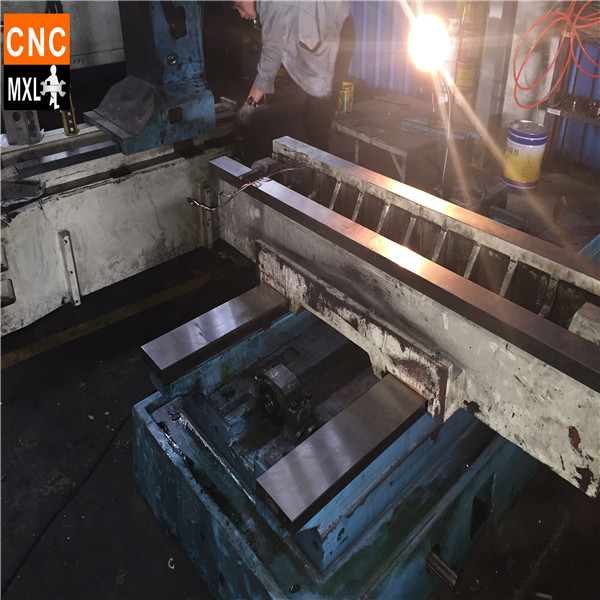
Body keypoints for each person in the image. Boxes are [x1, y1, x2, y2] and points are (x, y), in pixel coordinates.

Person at [234, 0, 355, 152]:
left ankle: (323, 162)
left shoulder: (269, 6)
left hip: (337, 34)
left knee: (317, 120)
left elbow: (271, 55)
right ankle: (318, 149)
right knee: (312, 114)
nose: (241, 14)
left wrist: (250, 103)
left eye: (239, 5)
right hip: (333, 28)